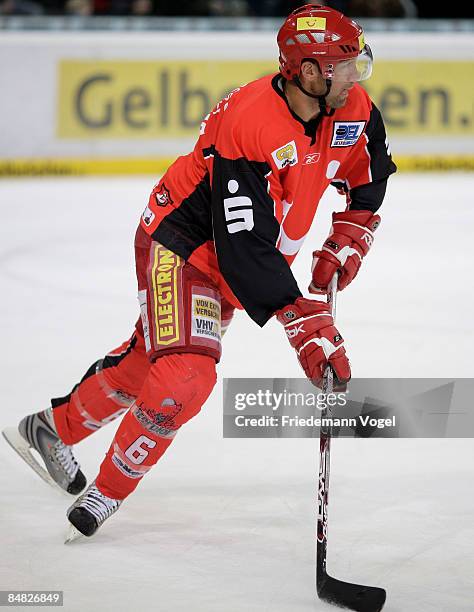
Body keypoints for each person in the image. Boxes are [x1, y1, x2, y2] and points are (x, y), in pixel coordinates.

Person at [2, 3, 396, 540]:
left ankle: (50, 431)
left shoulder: (351, 108)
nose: (356, 75)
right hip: (184, 246)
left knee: (150, 364)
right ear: (308, 72)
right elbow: (241, 243)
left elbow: (367, 175)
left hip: (246, 261)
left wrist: (349, 235)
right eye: (344, 65)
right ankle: (107, 491)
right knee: (186, 372)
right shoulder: (250, 122)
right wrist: (301, 320)